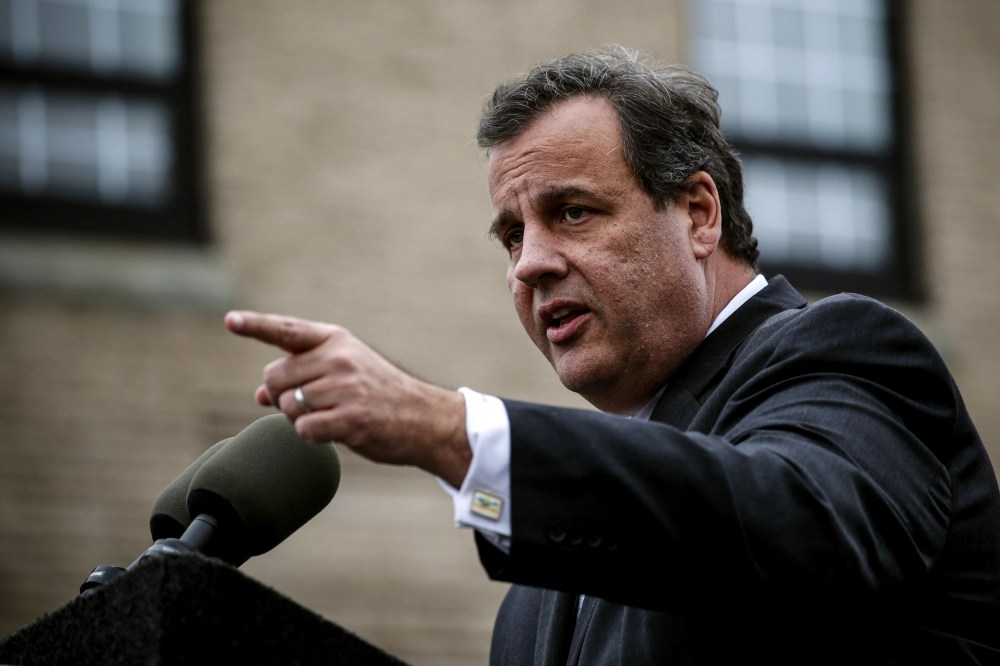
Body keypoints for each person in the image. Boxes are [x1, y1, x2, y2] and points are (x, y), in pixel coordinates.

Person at [225, 46, 1000, 664]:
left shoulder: (846, 356)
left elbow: (799, 532)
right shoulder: (533, 599)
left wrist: (448, 430)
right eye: (513, 235)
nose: (530, 263)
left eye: (573, 212)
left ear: (699, 213)